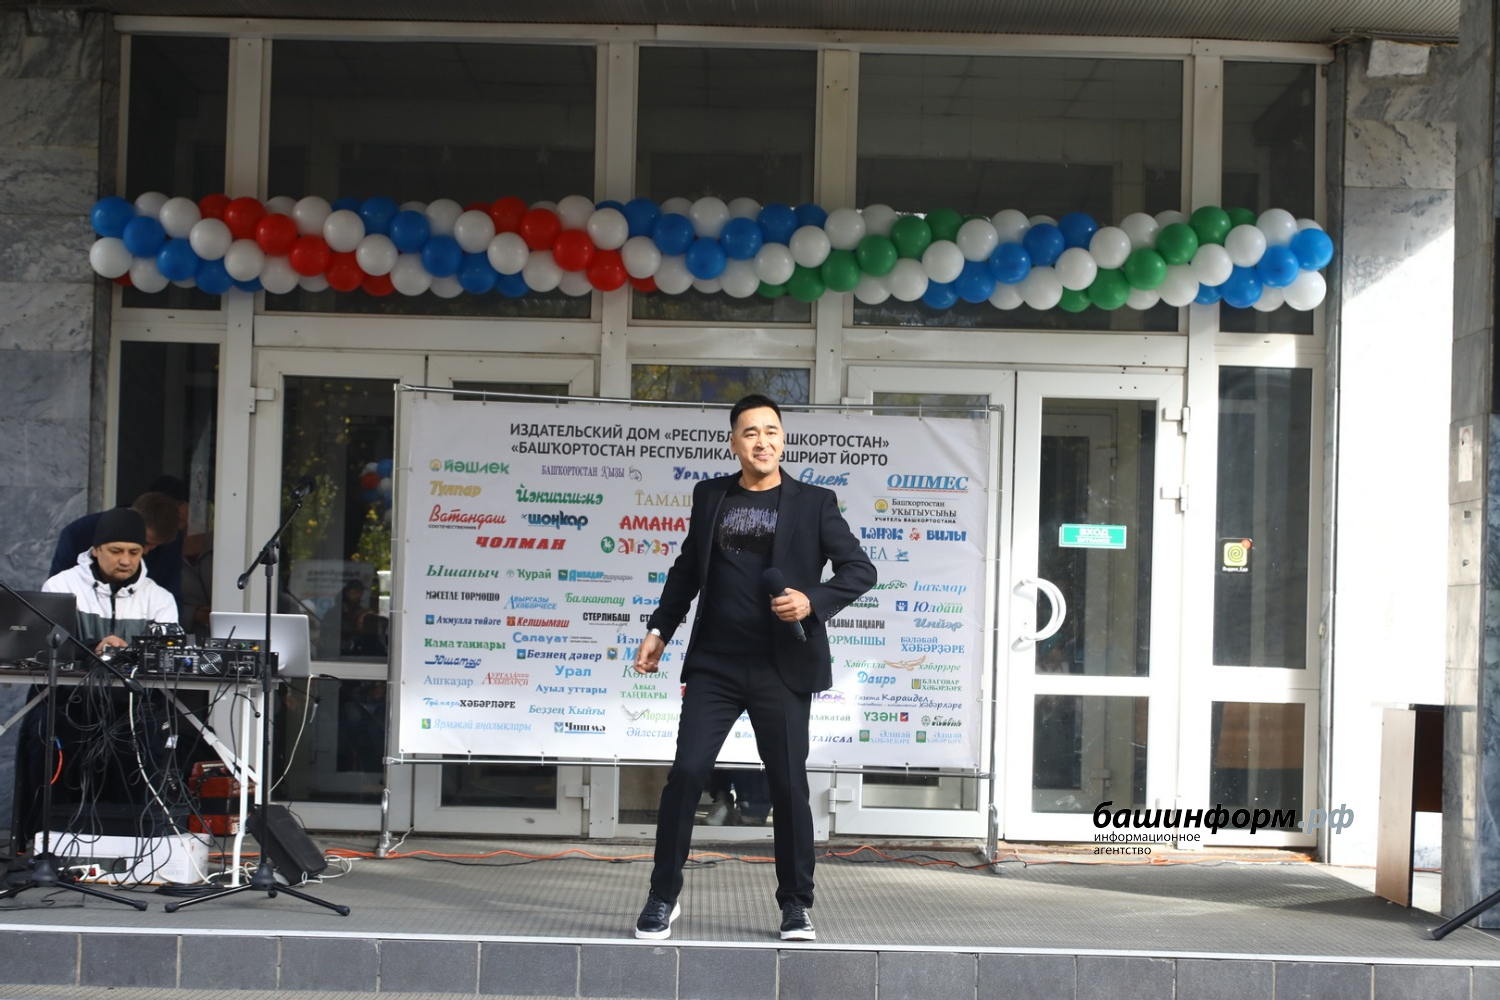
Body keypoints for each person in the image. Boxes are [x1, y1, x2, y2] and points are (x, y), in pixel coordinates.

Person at [632, 394, 876, 942]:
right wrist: (659, 630)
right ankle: (662, 895)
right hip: (715, 665)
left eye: (771, 431)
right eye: (750, 432)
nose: (762, 441)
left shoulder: (815, 503)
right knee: (686, 774)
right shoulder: (710, 496)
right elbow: (687, 570)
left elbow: (860, 569)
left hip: (781, 667)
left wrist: (812, 601)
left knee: (787, 786)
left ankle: (796, 905)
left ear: (782, 440)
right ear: (734, 443)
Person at [42, 507, 179, 655]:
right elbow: (45, 648)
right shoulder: (61, 587)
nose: (125, 561)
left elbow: (168, 657)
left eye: (134, 552)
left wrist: (128, 656)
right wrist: (95, 649)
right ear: (96, 549)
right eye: (116, 551)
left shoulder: (161, 599)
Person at [49, 480, 186, 601]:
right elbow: (57, 598)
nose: (145, 551)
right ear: (96, 549)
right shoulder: (78, 534)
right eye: (145, 542)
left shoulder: (172, 545)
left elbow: (172, 594)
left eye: (157, 546)